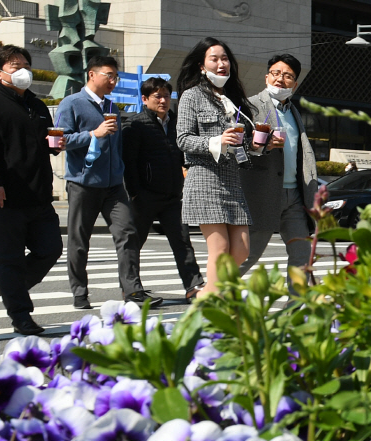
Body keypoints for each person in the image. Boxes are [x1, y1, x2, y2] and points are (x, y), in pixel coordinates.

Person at [0, 44, 64, 336]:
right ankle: (21, 316)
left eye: (26, 65)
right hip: (5, 196)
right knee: (9, 258)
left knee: (50, 249)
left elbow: (46, 141)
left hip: (38, 194)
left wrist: (55, 145)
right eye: (15, 66)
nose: (24, 71)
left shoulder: (36, 105)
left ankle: (7, 285)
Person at [56, 55, 162, 311]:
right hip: (83, 183)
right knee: (79, 241)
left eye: (116, 77)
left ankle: (133, 290)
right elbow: (61, 141)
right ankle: (80, 293)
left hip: (114, 186)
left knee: (127, 233)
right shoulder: (71, 103)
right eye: (108, 75)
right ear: (92, 75)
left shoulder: (112, 107)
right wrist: (94, 133)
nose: (113, 81)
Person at [176, 37, 253, 298]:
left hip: (232, 178)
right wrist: (217, 140)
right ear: (201, 65)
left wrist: (263, 144)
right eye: (214, 59)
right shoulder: (191, 96)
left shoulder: (233, 99)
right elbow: (183, 139)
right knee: (219, 249)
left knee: (241, 249)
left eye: (225, 59)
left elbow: (243, 144)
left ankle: (207, 293)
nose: (221, 64)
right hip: (204, 178)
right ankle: (216, 303)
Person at [122, 77, 204, 301]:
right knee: (133, 243)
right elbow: (129, 163)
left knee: (183, 241)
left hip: (172, 196)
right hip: (144, 196)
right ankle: (132, 289)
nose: (163, 100)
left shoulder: (177, 123)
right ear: (144, 99)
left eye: (166, 96)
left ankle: (194, 287)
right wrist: (136, 192)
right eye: (157, 96)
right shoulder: (135, 124)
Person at [238, 53, 318, 276]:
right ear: (266, 77)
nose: (280, 79)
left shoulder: (293, 111)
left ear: (295, 83)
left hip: (294, 195)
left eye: (288, 76)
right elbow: (236, 147)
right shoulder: (250, 106)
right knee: (248, 255)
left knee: (302, 256)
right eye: (276, 73)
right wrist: (258, 145)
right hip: (263, 193)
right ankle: (213, 297)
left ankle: (296, 309)